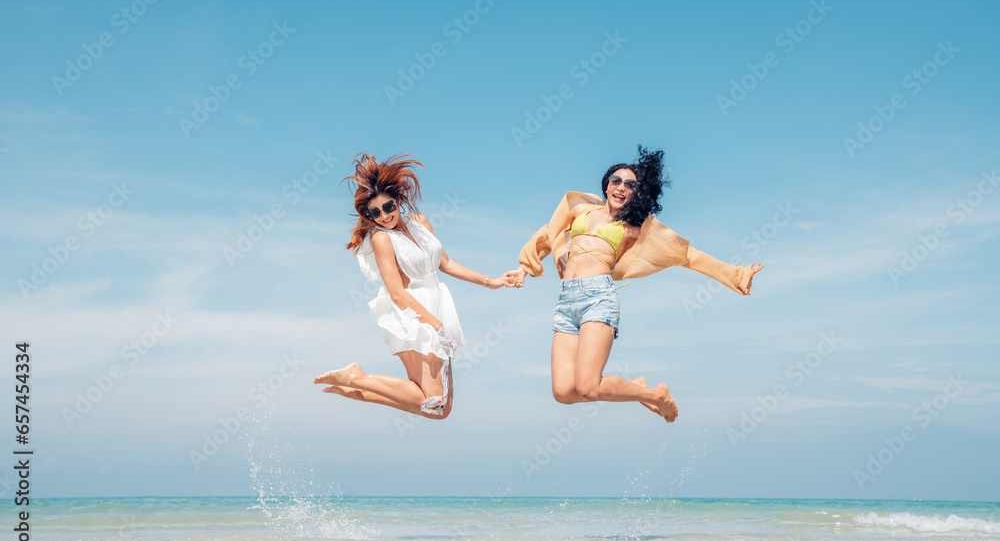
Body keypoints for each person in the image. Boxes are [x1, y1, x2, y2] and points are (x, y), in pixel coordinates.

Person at [510, 146, 764, 422]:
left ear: (636, 193)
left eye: (630, 185)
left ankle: (657, 396)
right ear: (606, 185)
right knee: (563, 392)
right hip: (566, 302)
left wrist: (737, 275)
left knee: (588, 387)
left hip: (598, 299)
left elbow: (687, 255)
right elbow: (549, 232)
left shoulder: (633, 227)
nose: (621, 187)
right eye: (616, 181)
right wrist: (525, 267)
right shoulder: (581, 209)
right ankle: (639, 389)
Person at [314, 153, 514, 419]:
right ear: (368, 215)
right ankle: (358, 377)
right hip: (412, 314)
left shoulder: (420, 222)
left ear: (398, 201)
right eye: (375, 212)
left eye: (388, 207)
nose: (384, 215)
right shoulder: (381, 239)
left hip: (438, 304)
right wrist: (436, 325)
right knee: (433, 401)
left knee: (440, 409)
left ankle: (361, 391)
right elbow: (396, 293)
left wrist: (492, 282)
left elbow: (446, 263)